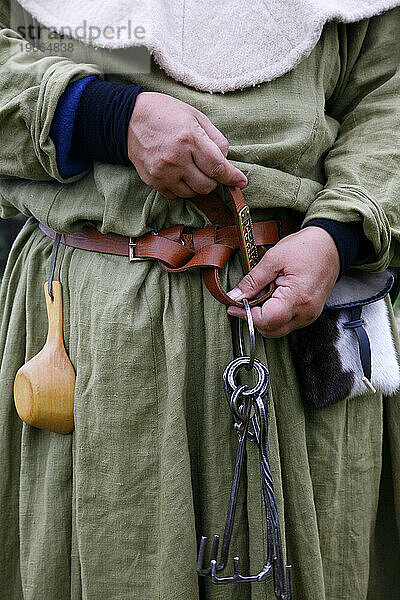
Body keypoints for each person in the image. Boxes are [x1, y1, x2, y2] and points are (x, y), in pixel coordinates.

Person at [0, 0, 400, 598]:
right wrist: (105, 117)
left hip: (303, 316)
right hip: (95, 325)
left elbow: (388, 90)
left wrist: (338, 235)